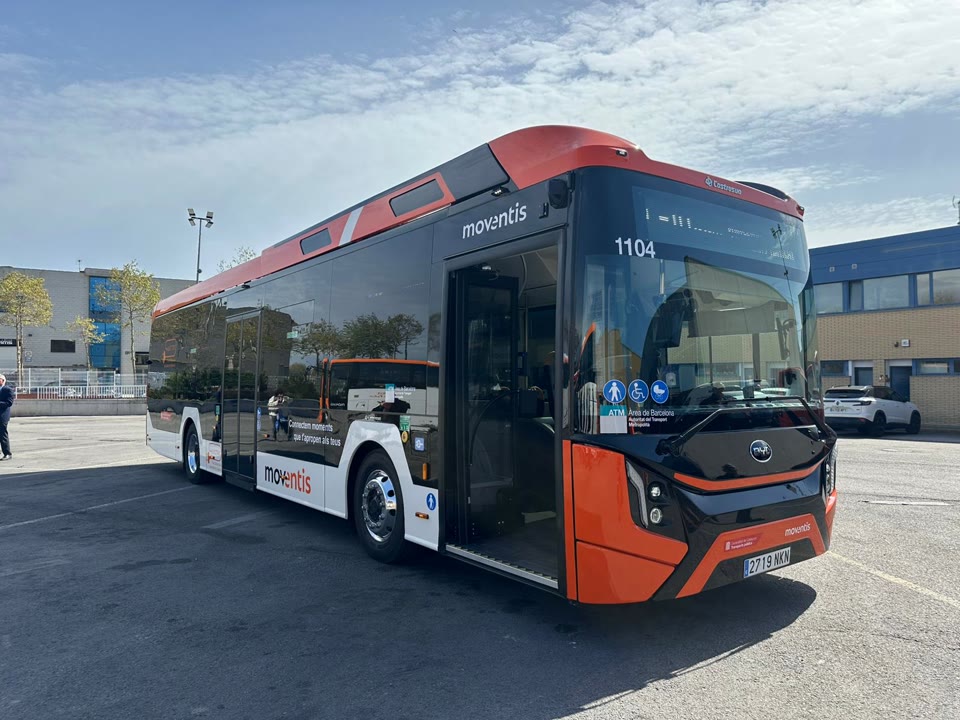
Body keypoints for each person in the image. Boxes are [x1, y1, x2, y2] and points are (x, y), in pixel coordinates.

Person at [0, 374, 15, 460]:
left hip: (2, 416)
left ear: (3, 380)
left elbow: (9, 403)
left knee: (3, 434)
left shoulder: (7, 390)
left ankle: (7, 453)